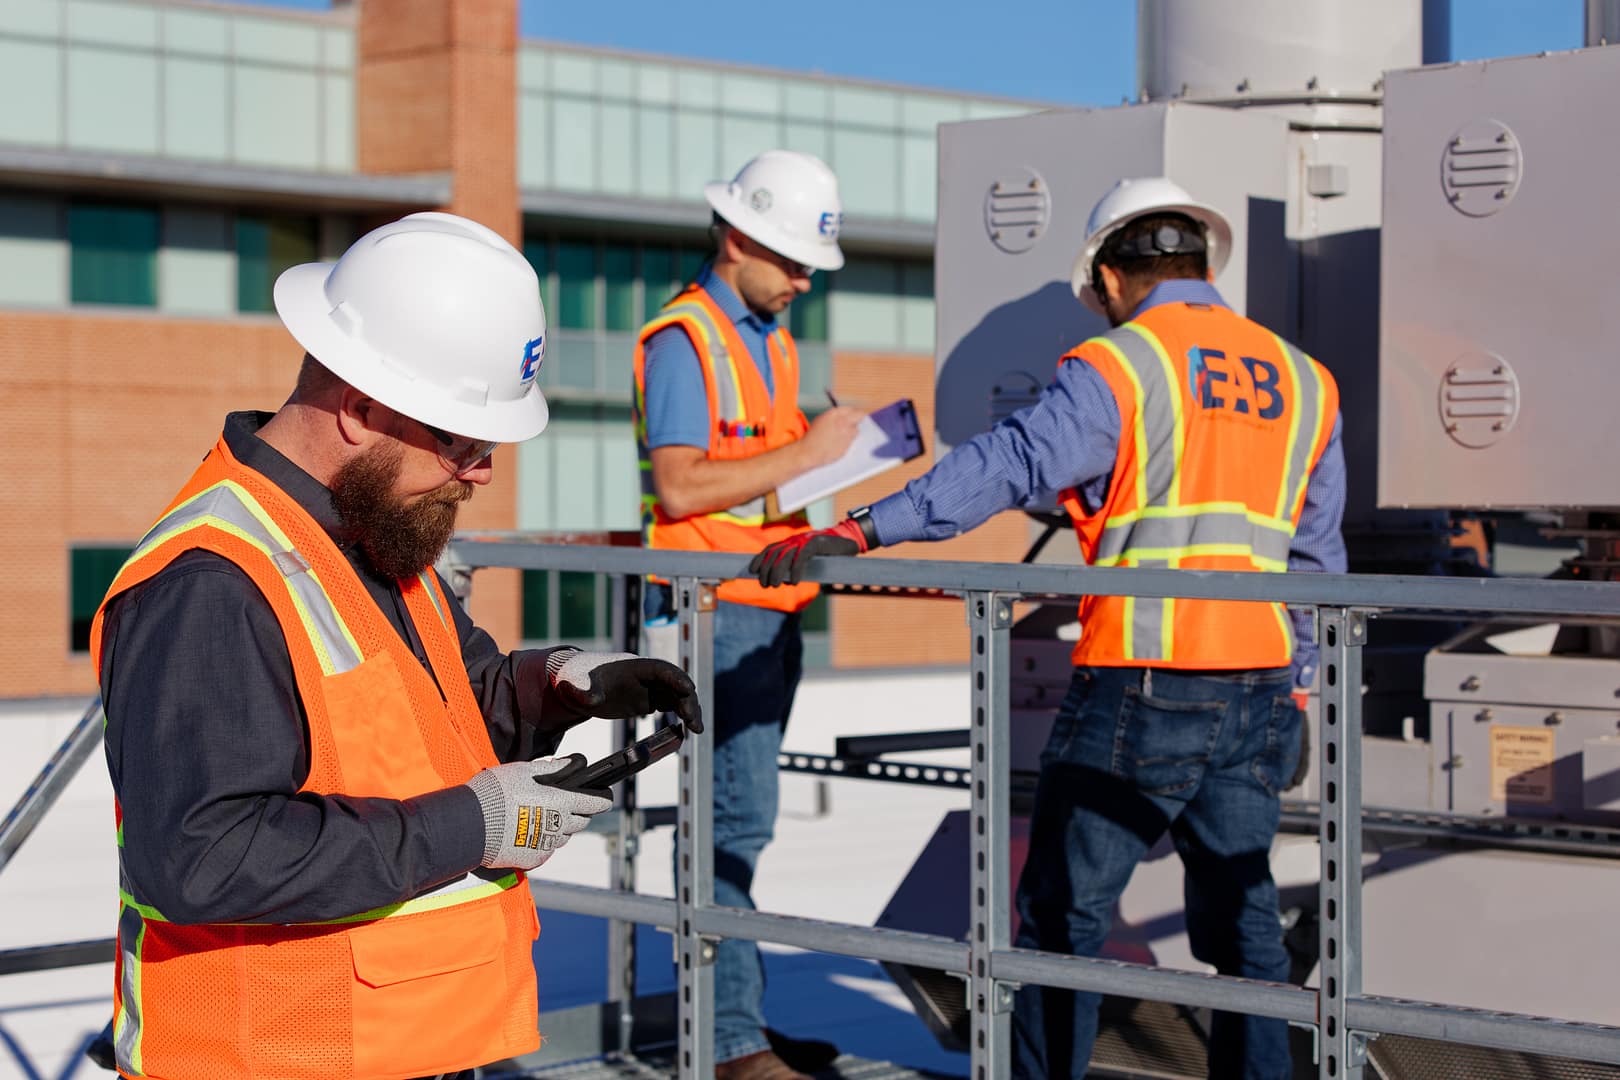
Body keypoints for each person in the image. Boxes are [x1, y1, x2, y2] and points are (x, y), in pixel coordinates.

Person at [750, 177, 1347, 1080]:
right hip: (1260, 682)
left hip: (1142, 680)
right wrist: (1300, 685)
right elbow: (1316, 561)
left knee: (1062, 924)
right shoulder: (1305, 381)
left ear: (1110, 276)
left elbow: (1009, 462)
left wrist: (862, 527)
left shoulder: (1123, 364)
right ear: (1203, 266)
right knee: (1246, 928)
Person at [92, 212, 702, 1080]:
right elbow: (202, 857)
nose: (483, 471)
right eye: (463, 440)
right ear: (361, 408)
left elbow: (443, 709)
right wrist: (476, 824)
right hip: (271, 1058)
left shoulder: (376, 535)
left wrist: (557, 687)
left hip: (396, 1045)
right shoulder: (211, 582)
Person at [633, 150, 863, 1080]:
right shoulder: (685, 338)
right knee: (725, 824)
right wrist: (810, 450)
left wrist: (831, 464)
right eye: (795, 263)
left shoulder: (768, 337)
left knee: (743, 823)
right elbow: (682, 485)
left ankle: (735, 1026)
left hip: (765, 605)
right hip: (711, 614)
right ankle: (729, 1044)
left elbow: (761, 479)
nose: (805, 283)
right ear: (738, 240)